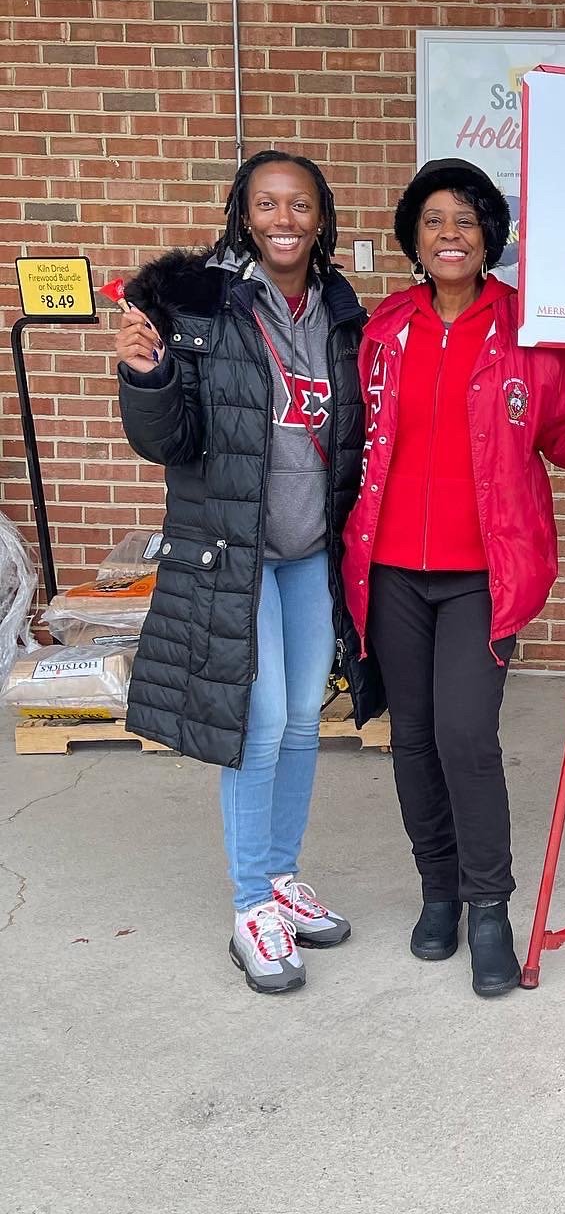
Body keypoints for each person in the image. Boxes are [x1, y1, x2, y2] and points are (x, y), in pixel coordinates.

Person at [342, 157, 565, 998]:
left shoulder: (529, 332)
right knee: (409, 738)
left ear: (490, 234)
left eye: (466, 220)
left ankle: (491, 905)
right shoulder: (386, 329)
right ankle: (439, 892)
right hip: (389, 572)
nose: (450, 235)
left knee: (465, 737)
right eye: (434, 221)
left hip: (484, 572)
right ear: (413, 237)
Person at [116, 150, 382, 995]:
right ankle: (248, 907)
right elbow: (168, 441)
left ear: (321, 218)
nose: (283, 219)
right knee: (258, 718)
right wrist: (146, 374)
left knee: (305, 714)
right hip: (234, 549)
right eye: (266, 203)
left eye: (299, 205)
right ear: (243, 209)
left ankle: (279, 875)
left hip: (311, 551)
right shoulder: (198, 303)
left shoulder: (342, 314)